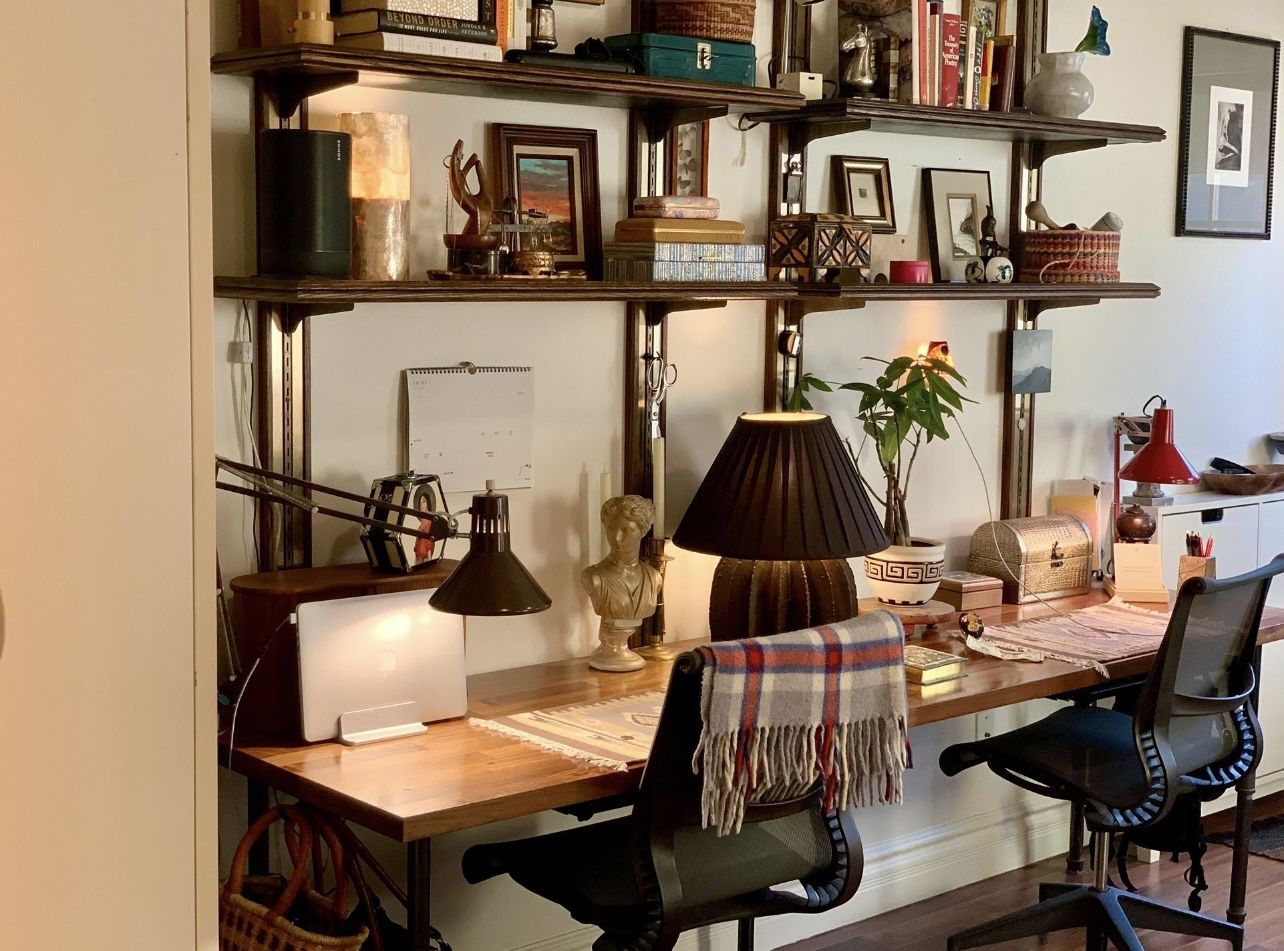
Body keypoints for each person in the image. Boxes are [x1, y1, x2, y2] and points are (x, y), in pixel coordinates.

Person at [582, 495, 660, 672]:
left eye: (625, 530)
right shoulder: (593, 577)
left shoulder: (653, 578)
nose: (616, 537)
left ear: (642, 530)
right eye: (611, 529)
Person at [413, 485, 436, 565]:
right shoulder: (421, 525)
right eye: (420, 503)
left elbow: (430, 543)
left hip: (426, 556)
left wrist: (429, 560)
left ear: (428, 502)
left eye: (423, 501)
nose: (421, 505)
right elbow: (417, 543)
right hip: (419, 556)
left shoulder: (429, 523)